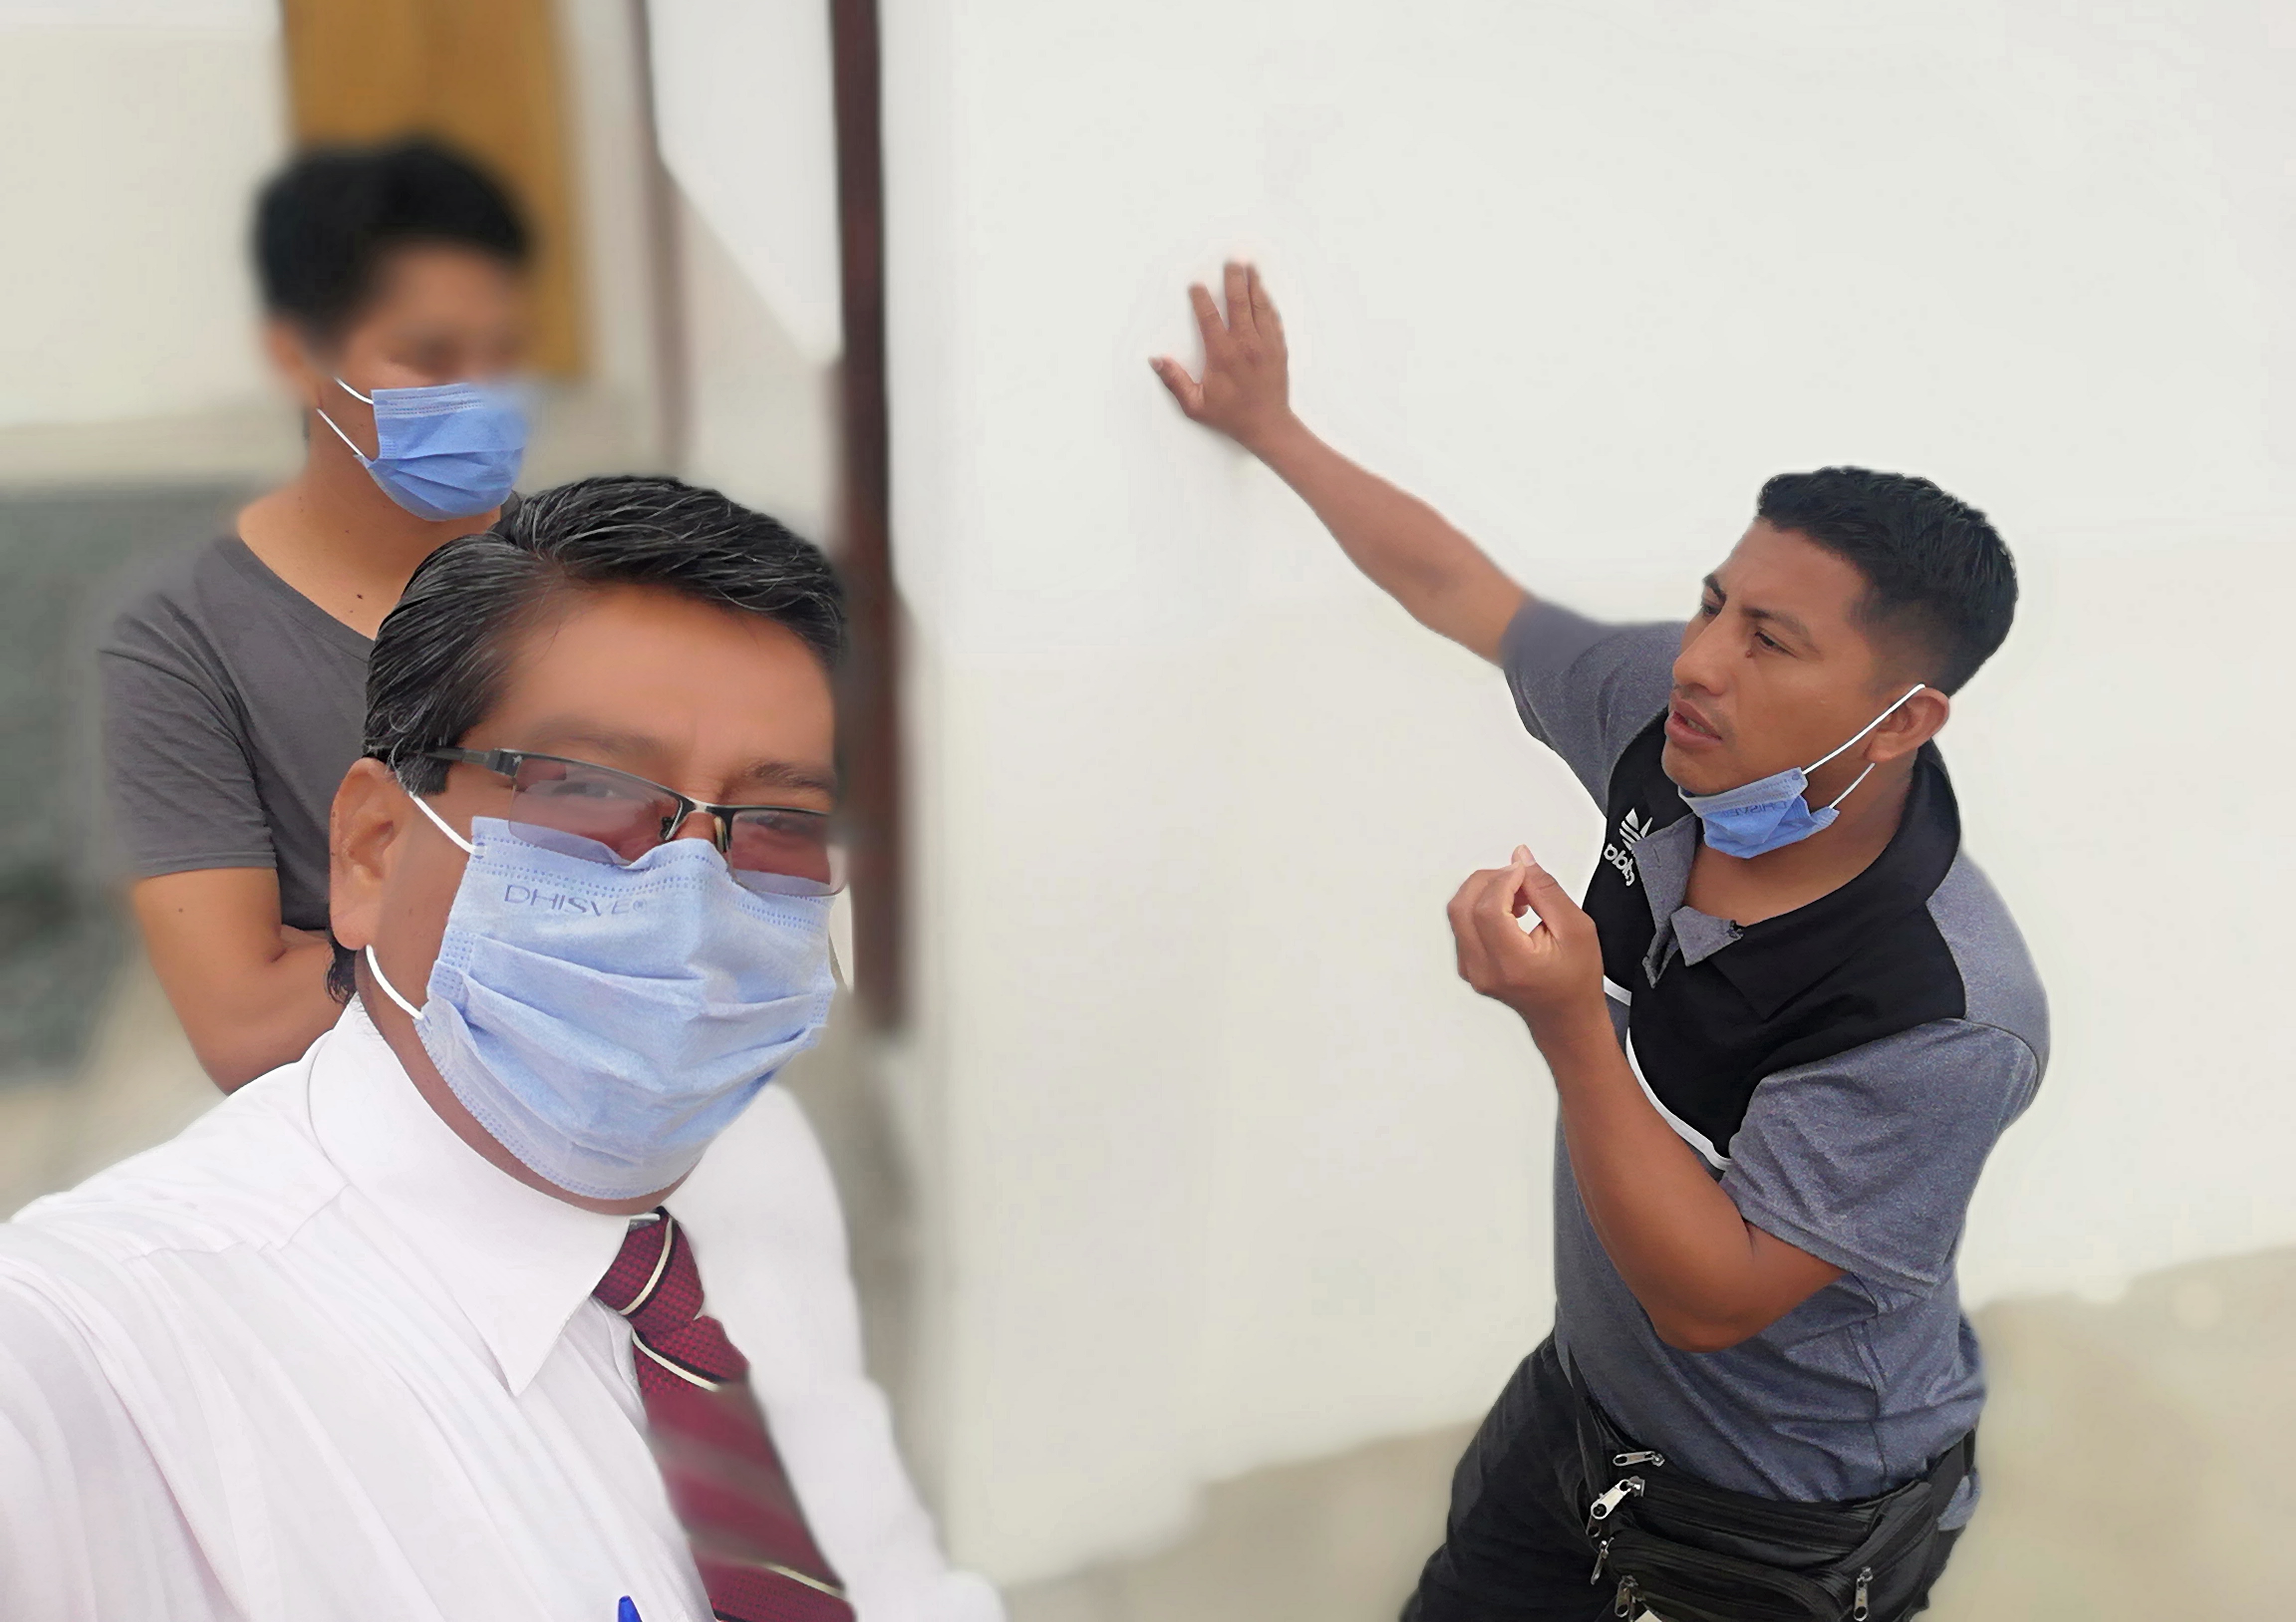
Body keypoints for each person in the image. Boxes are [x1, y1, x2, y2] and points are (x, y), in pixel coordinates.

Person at [1153, 266, 2044, 1621]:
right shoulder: (1668, 723)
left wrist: (1571, 1020)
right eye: (1713, 604)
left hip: (1777, 1525)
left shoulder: (1943, 1014)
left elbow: (1715, 1297)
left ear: (1905, 721)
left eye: (1770, 642)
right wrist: (1274, 429)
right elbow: (1465, 590)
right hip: (1584, 1413)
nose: (1700, 660)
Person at [0, 477, 1002, 1622]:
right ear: (373, 849)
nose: (690, 894)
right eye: (588, 790)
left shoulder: (753, 1152)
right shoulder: (119, 1356)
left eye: (777, 822)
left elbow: (881, 1562)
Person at [104, 138, 536, 1090]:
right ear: (300, 357)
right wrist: (575, 904)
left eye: (503, 356)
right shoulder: (180, 642)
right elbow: (245, 1027)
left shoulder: (586, 578)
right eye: (430, 356)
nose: (483, 395)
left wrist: (364, 941)